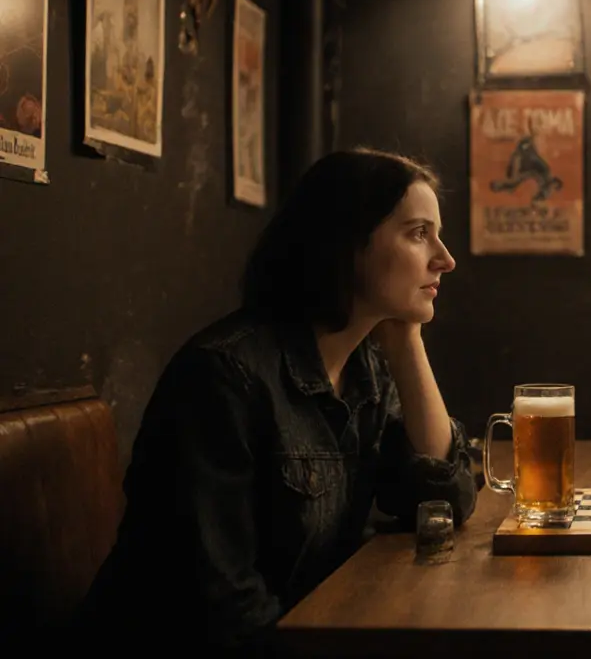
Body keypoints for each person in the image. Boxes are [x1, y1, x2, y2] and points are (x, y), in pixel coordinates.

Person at [75, 148, 477, 652]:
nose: (445, 258)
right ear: (347, 242)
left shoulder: (366, 370)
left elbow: (445, 499)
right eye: (419, 233)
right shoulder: (224, 377)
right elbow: (222, 605)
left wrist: (407, 341)